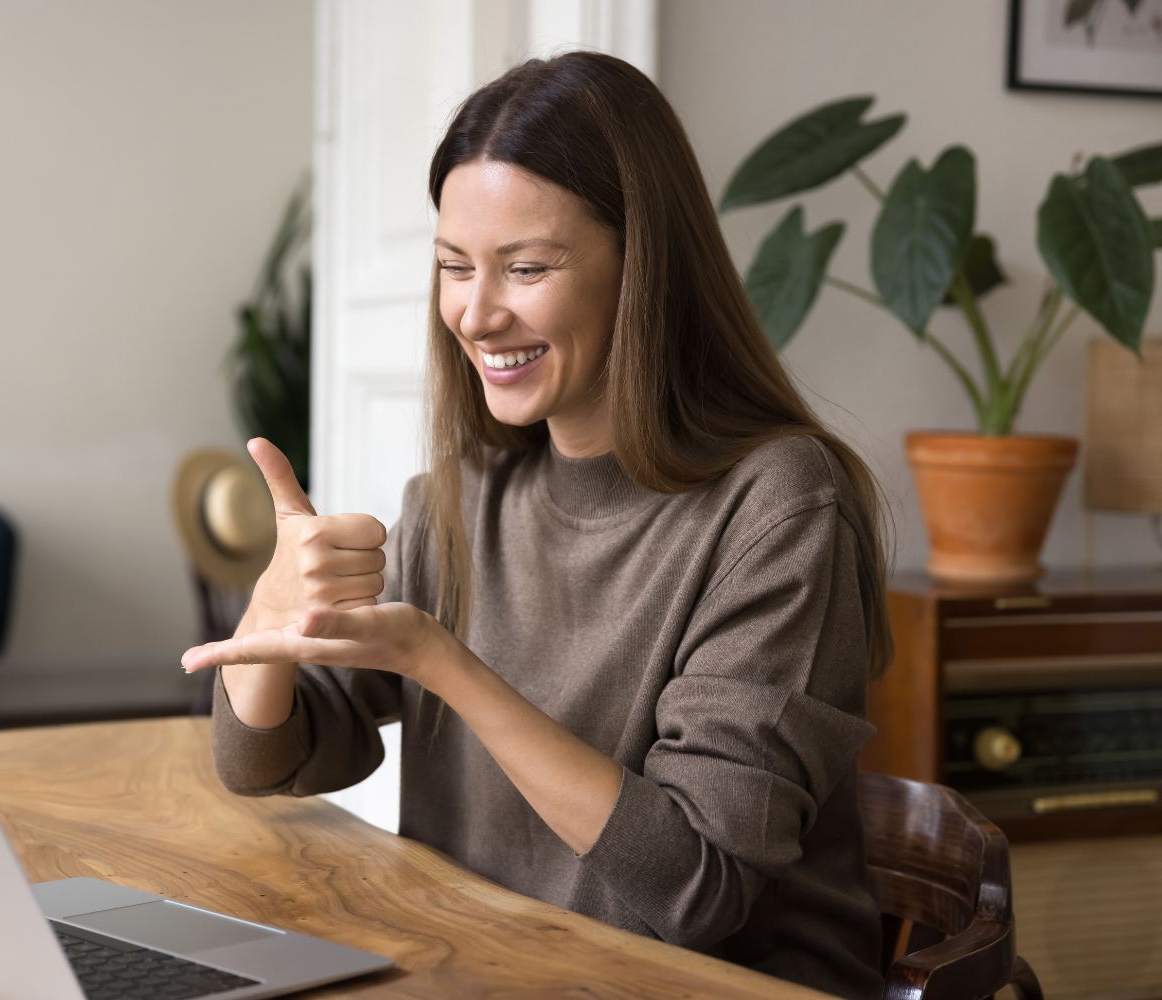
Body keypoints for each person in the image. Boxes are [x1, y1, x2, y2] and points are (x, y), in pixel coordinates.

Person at [181, 51, 891, 998]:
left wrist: (441, 664)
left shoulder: (778, 507)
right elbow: (264, 759)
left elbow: (699, 888)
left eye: (526, 267)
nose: (477, 314)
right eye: (452, 268)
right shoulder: (467, 492)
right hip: (489, 966)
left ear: (643, 267)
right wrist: (270, 622)